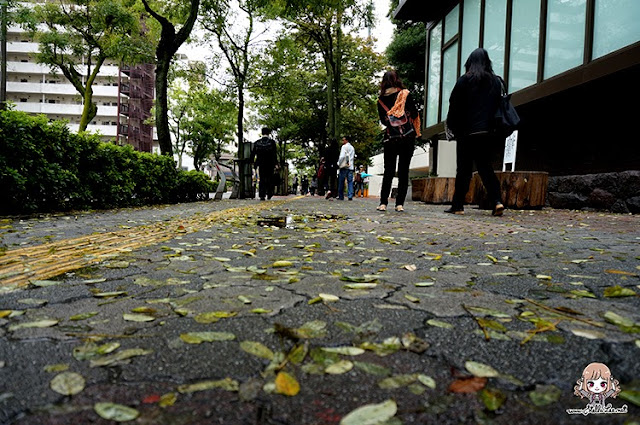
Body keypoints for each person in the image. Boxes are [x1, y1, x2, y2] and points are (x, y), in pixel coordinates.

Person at [445, 48, 505, 217]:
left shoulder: (464, 80)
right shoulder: (496, 82)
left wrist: (453, 127)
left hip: (466, 132)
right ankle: (497, 201)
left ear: (470, 62)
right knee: (486, 169)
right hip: (487, 132)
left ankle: (458, 205)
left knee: (463, 170)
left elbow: (454, 104)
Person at [377, 70, 421, 212]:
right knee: (403, 171)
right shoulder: (405, 94)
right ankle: (399, 204)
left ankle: (383, 203)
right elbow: (414, 113)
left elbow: (384, 122)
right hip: (407, 137)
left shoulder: (380, 100)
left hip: (390, 138)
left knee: (388, 171)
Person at [251, 127, 278, 201]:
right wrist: (276, 163)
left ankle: (262, 195)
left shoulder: (257, 142)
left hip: (261, 163)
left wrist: (253, 163)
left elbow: (253, 153)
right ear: (269, 133)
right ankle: (269, 193)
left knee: (262, 179)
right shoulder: (272, 142)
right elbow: (274, 154)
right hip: (270, 163)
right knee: (269, 179)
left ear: (261, 133)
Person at [337, 136, 355, 200]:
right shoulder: (352, 148)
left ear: (346, 140)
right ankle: (350, 195)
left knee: (341, 181)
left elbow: (342, 156)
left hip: (344, 166)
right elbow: (352, 157)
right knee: (350, 182)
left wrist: (339, 163)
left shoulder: (344, 147)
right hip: (350, 166)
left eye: (343, 140)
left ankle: (341, 196)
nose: (342, 141)